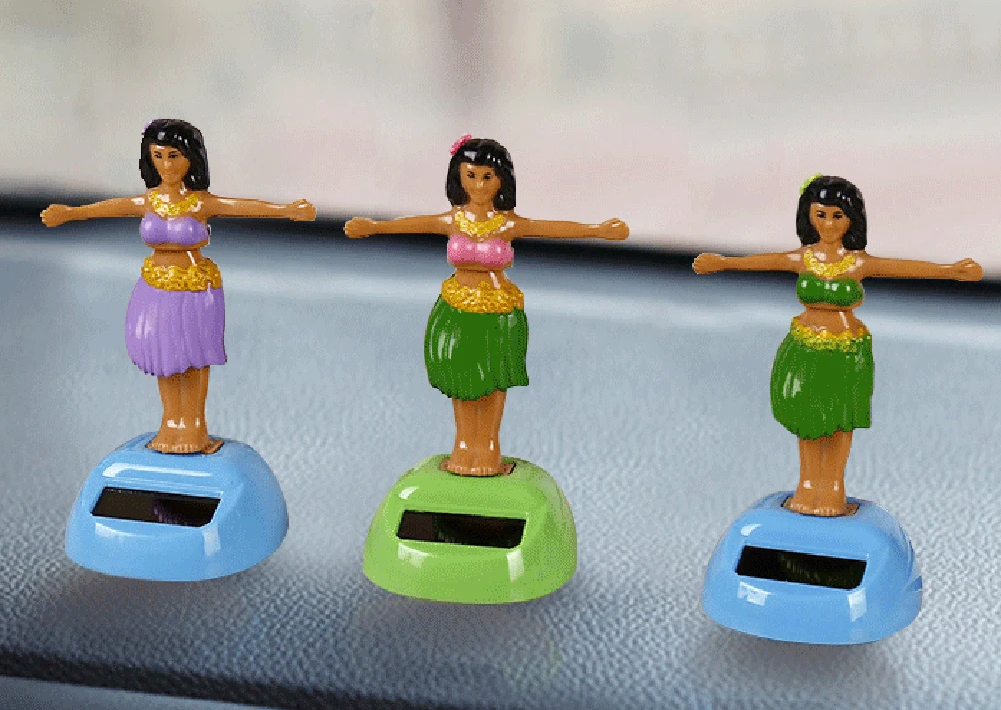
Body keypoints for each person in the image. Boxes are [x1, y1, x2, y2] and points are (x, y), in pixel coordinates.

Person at [693, 174, 982, 516]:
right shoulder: (803, 258)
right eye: (821, 215)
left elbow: (899, 267)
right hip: (806, 348)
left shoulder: (858, 262)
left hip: (844, 352)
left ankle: (832, 487)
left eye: (837, 216)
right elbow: (764, 260)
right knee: (808, 420)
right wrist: (723, 262)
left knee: (840, 421)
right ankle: (808, 484)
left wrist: (950, 271)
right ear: (808, 216)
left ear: (851, 219)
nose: (829, 224)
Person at [345, 134, 629, 476]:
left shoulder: (507, 223)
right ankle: (465, 444)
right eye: (471, 175)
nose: (479, 185)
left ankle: (489, 445)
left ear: (501, 180)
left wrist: (598, 230)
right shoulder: (453, 220)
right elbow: (412, 223)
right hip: (458, 310)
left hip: (497, 313)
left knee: (493, 382)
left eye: (487, 177)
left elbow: (549, 228)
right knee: (462, 381)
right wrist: (374, 226)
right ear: (459, 177)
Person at [41, 118, 316, 454]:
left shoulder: (200, 203)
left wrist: (286, 210)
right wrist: (70, 213)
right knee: (165, 358)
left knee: (194, 359)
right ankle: (171, 423)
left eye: (174, 156)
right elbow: (112, 207)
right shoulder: (149, 201)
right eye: (158, 156)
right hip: (156, 289)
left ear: (190, 158)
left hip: (194, 290)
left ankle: (194, 426)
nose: (166, 165)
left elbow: (241, 206)